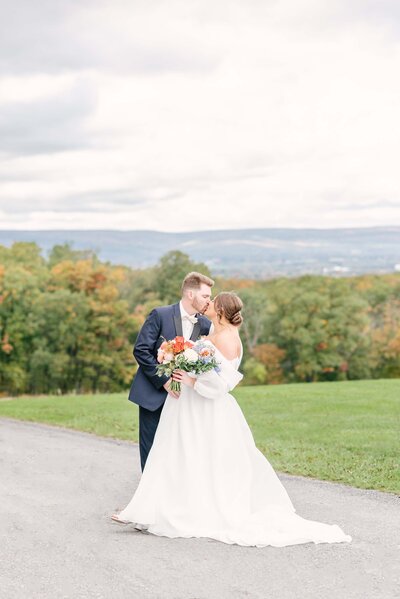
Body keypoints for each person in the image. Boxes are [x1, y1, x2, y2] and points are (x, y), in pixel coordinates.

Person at [113, 292, 352, 548]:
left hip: (205, 408)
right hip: (189, 406)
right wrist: (174, 357)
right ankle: (149, 510)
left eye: (213, 302)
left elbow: (222, 384)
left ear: (222, 311)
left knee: (200, 458)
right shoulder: (214, 333)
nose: (209, 303)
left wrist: (191, 380)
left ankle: (186, 511)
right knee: (176, 455)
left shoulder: (227, 339)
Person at [128, 271, 214, 471]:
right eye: (205, 296)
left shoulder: (205, 325)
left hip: (186, 400)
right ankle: (148, 497)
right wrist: (165, 380)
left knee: (180, 449)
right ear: (190, 294)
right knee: (151, 447)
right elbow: (141, 350)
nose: (209, 301)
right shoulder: (160, 314)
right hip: (154, 394)